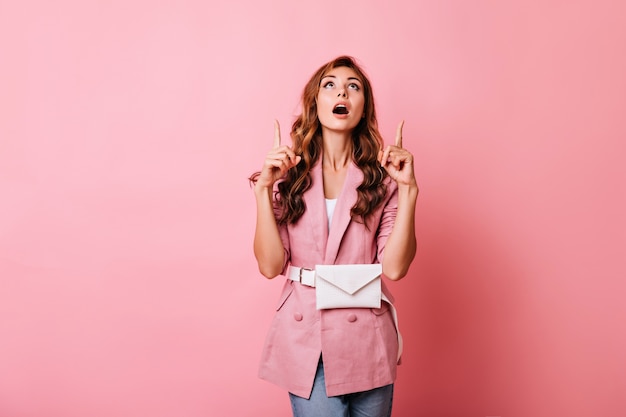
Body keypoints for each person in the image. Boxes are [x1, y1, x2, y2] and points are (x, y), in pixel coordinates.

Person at [250, 55, 418, 417]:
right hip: (308, 342)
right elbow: (269, 265)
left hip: (369, 341)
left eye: (353, 86)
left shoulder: (382, 181)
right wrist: (264, 190)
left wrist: (408, 191)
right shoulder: (288, 176)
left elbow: (395, 268)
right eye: (330, 84)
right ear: (316, 102)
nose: (341, 90)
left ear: (362, 108)